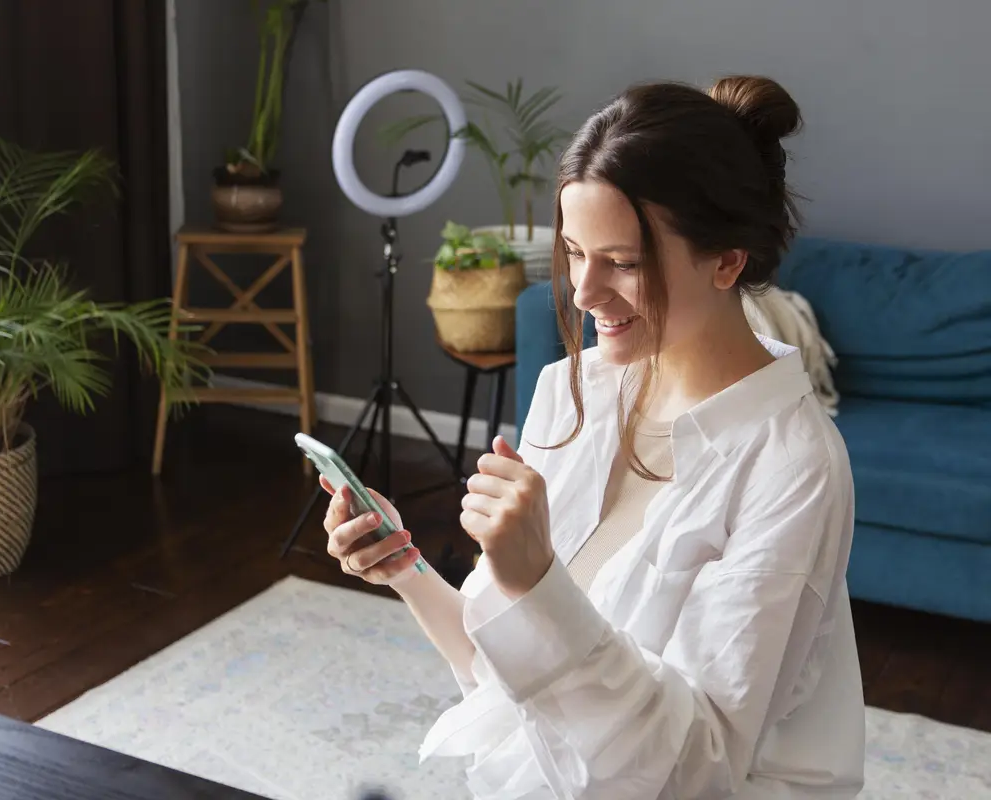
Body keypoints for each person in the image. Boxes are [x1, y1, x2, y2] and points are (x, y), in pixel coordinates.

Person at [320, 75, 865, 799]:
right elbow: (509, 679)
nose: (582, 292)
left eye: (625, 262)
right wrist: (405, 566)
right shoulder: (570, 392)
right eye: (575, 251)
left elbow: (696, 770)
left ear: (728, 260)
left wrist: (537, 581)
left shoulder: (793, 466)